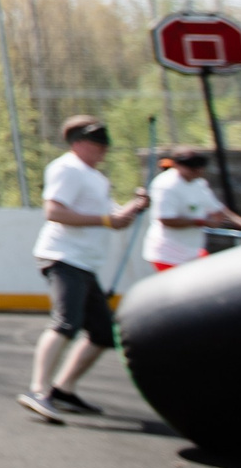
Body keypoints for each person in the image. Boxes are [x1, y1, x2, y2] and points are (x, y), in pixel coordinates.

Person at [18, 115, 149, 423]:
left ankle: (63, 390)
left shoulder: (97, 178)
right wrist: (107, 220)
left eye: (105, 143)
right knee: (66, 323)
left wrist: (133, 206)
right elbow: (54, 211)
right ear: (76, 143)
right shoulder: (67, 169)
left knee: (103, 333)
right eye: (95, 142)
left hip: (86, 262)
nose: (103, 148)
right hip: (64, 257)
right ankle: (39, 391)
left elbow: (112, 218)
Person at [143, 145, 241, 270]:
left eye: (200, 166)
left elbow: (220, 210)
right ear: (177, 165)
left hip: (192, 252)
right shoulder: (166, 185)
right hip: (168, 255)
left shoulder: (199, 183)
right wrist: (201, 221)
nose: (198, 170)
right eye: (191, 166)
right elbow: (166, 219)